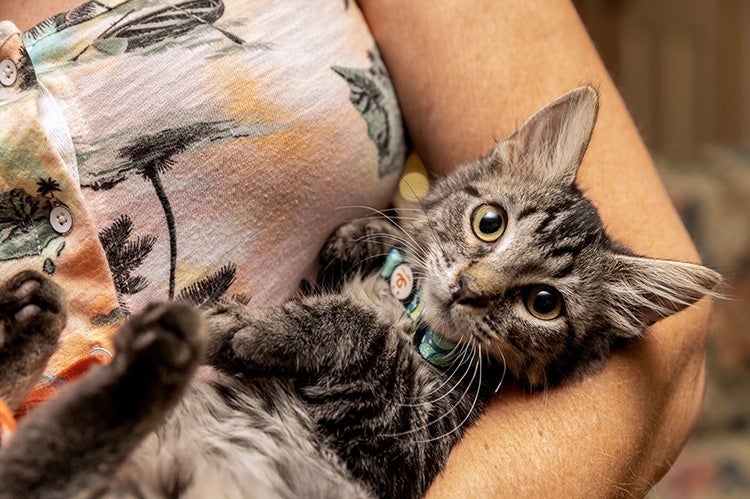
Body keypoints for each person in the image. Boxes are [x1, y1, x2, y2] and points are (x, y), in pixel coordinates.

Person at [0, 0, 713, 496]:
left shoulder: (459, 392)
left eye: (541, 300)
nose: (476, 283)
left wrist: (351, 311)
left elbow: (670, 361)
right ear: (508, 161)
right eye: (489, 226)